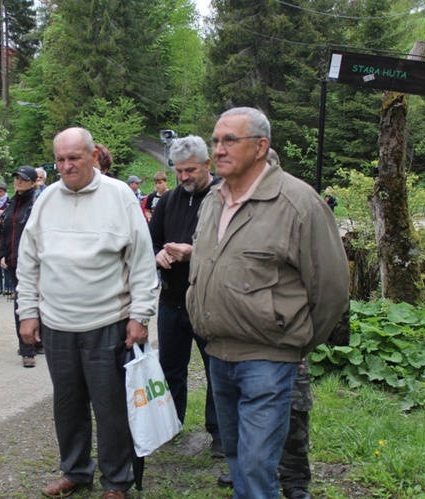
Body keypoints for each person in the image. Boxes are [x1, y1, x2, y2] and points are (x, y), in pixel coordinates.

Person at [187, 107, 349, 498]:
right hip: (219, 354)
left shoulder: (298, 202)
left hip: (269, 358)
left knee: (259, 466)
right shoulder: (213, 200)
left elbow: (331, 289)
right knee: (239, 460)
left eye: (230, 140)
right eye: (216, 140)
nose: (219, 149)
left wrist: (295, 342)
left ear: (261, 147)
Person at [17, 128, 158, 499]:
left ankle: (116, 481)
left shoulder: (120, 197)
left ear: (93, 156)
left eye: (74, 158)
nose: (66, 166)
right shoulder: (46, 199)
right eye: (60, 160)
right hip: (57, 325)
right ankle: (76, 471)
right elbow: (28, 261)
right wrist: (27, 312)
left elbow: (142, 261)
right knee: (68, 405)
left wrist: (140, 316)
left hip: (107, 323)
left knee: (111, 409)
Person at [218, 148, 317, 499]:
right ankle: (251, 476)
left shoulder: (296, 205)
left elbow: (326, 283)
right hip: (238, 347)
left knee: (293, 417)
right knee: (251, 433)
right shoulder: (229, 206)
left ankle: (294, 482)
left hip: (285, 341)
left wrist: (306, 340)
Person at [148, 135, 223, 457]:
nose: (184, 177)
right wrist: (157, 257)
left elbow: (235, 250)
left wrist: (197, 253)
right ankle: (170, 424)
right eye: (178, 171)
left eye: (190, 170)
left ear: (208, 164)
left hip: (210, 301)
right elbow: (150, 243)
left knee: (217, 371)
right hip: (172, 301)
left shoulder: (224, 197)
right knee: (170, 369)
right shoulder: (168, 200)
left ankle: (220, 433)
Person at [0, 166, 39, 368]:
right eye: (16, 178)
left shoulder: (36, 203)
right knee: (21, 303)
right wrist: (2, 255)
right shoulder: (11, 203)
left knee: (33, 302)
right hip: (14, 262)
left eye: (23, 179)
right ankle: (27, 348)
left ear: (33, 182)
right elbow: (4, 231)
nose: (18, 181)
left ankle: (32, 345)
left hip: (33, 263)